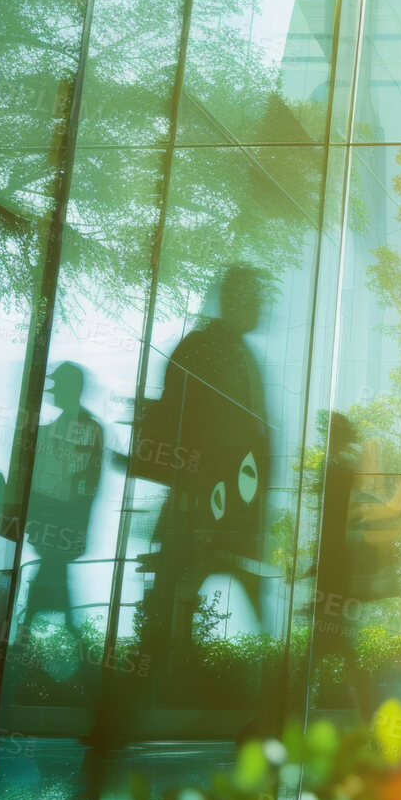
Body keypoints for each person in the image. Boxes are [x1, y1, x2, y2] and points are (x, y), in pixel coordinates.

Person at [134, 266, 275, 677]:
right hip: (209, 504)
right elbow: (234, 436)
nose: (260, 309)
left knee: (169, 604)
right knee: (170, 604)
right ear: (235, 300)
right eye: (254, 299)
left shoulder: (223, 351)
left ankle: (132, 703)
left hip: (217, 504)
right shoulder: (219, 353)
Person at [0, 361, 105, 651]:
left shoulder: (87, 429)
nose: (52, 391)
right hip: (55, 521)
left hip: (63, 521)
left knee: (50, 581)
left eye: (58, 385)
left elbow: (82, 482)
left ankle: (28, 637)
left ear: (72, 388)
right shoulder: (56, 428)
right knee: (50, 580)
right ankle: (33, 636)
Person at [309, 412, 401, 721]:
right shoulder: (339, 473)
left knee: (329, 653)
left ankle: (368, 717)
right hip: (334, 583)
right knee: (338, 653)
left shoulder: (335, 474)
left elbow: (355, 518)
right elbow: (360, 516)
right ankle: (370, 717)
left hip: (332, 583)